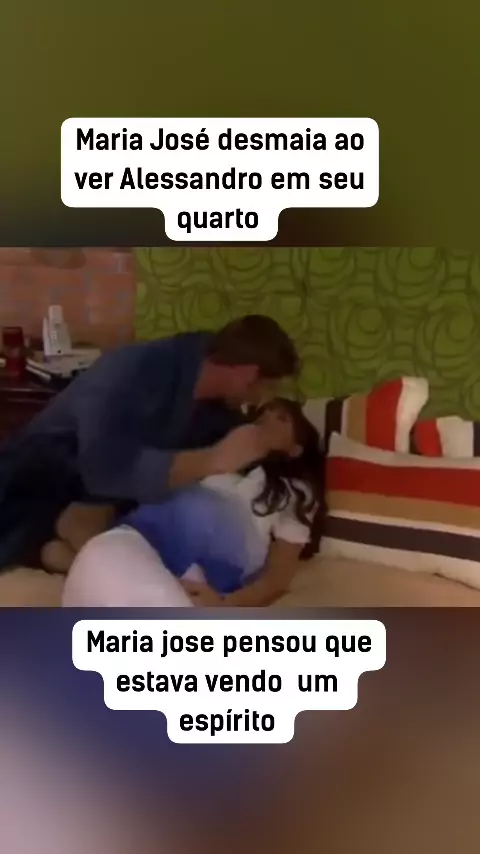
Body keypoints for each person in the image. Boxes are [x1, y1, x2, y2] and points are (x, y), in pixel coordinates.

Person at [0, 316, 298, 570]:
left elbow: (239, 445)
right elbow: (104, 471)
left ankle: (67, 550)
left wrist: (277, 440)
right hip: (30, 485)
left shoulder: (212, 404)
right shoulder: (134, 369)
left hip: (91, 501)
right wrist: (212, 459)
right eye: (267, 386)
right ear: (249, 374)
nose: (261, 398)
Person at [62, 399, 325, 608]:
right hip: (152, 541)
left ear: (297, 448)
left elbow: (276, 579)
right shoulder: (223, 460)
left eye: (282, 418)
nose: (266, 418)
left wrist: (225, 603)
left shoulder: (296, 491)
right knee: (98, 551)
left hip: (214, 564)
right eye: (264, 413)